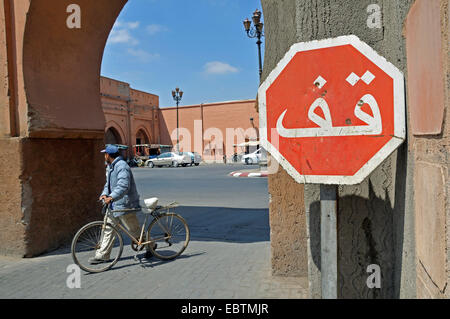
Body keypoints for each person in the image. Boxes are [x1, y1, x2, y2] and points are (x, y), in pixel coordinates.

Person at [89, 145, 153, 264]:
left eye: (105, 154)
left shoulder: (122, 166)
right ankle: (103, 255)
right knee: (108, 228)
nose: (104, 156)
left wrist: (111, 196)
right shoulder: (110, 167)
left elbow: (123, 186)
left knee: (133, 230)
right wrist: (104, 194)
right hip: (113, 205)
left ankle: (151, 245)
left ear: (108, 155)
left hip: (125, 205)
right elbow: (108, 185)